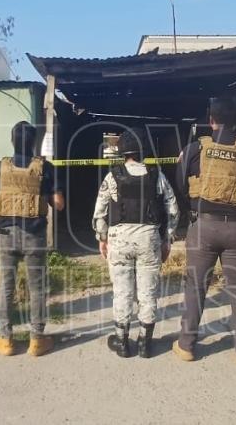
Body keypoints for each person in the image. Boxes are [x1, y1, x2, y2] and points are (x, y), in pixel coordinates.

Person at [172, 97, 236, 366]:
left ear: (210, 120)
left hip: (204, 227)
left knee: (196, 286)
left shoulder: (194, 150)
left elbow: (181, 185)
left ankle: (186, 346)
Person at [92, 127, 179, 358]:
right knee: (148, 292)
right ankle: (144, 344)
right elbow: (172, 209)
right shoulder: (157, 176)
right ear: (144, 151)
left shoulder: (112, 176)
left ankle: (122, 342)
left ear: (122, 151)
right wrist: (167, 238)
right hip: (148, 239)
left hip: (119, 239)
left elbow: (99, 213)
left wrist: (102, 238)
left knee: (122, 292)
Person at [0, 121, 65, 357]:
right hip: (34, 236)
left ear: (12, 141)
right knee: (37, 288)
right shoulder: (45, 168)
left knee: (6, 287)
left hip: (6, 236)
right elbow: (58, 204)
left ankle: (6, 340)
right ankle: (37, 340)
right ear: (33, 142)